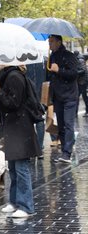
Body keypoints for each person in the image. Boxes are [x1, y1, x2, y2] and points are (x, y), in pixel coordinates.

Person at [0, 65, 41, 218]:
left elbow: (13, 103)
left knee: (21, 168)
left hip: (20, 127)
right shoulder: (8, 76)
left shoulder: (14, 76)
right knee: (13, 168)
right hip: (14, 126)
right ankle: (14, 201)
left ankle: (26, 206)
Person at [48, 35, 79, 163]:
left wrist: (58, 70)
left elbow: (73, 74)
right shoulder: (51, 57)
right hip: (58, 96)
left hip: (70, 96)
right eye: (49, 42)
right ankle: (64, 151)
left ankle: (67, 152)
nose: (49, 45)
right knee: (60, 125)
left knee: (68, 123)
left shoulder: (70, 56)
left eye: (52, 42)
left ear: (59, 42)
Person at [74, 50, 88, 117]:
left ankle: (87, 111)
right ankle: (75, 113)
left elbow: (83, 70)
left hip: (83, 81)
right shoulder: (79, 59)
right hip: (80, 81)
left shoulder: (80, 60)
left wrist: (75, 72)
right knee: (78, 96)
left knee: (84, 97)